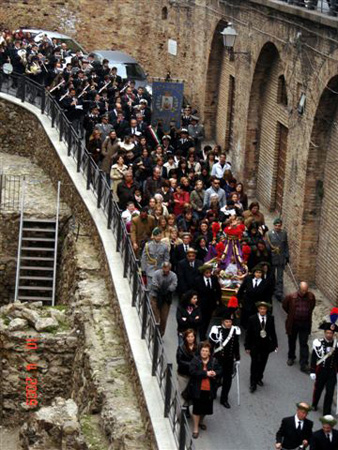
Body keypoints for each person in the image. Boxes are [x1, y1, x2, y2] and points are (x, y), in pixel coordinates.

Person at [189, 342, 222, 439]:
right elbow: (192, 371)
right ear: (200, 351)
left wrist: (215, 373)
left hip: (209, 390)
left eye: (206, 351)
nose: (204, 352)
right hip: (198, 389)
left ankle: (200, 421)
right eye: (203, 350)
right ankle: (195, 428)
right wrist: (205, 374)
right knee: (197, 409)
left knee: (206, 409)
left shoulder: (213, 361)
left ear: (209, 353)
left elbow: (220, 370)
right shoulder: (195, 360)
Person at [209, 310, 240, 408]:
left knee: (227, 380)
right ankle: (212, 393)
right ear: (222, 322)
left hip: (229, 360)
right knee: (215, 378)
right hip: (218, 359)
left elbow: (236, 345)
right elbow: (211, 345)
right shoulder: (216, 330)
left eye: (230, 322)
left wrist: (237, 358)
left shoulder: (234, 331)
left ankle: (224, 399)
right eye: (227, 322)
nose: (229, 324)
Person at [244, 301, 278, 393]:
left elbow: (273, 332)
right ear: (258, 309)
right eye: (261, 309)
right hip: (254, 346)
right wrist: (247, 346)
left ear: (267, 309)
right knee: (254, 364)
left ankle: (259, 378)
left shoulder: (271, 318)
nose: (262, 310)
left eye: (264, 309)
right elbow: (248, 334)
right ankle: (253, 383)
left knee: (263, 363)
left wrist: (275, 344)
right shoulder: (252, 319)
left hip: (265, 346)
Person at [283, 282, 316, 373]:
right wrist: (292, 315)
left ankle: (304, 363)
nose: (304, 292)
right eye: (302, 290)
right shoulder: (291, 297)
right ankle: (291, 357)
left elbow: (312, 306)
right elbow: (285, 306)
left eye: (306, 290)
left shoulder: (311, 297)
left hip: (305, 324)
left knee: (304, 343)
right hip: (293, 323)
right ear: (299, 289)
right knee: (292, 340)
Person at [310, 318, 338, 415]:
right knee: (318, 389)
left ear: (334, 334)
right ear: (325, 333)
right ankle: (314, 404)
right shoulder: (318, 342)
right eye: (328, 332)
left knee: (330, 392)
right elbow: (314, 357)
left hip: (331, 371)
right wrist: (312, 371)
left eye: (331, 333)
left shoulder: (336, 344)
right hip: (321, 369)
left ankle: (327, 411)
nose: (329, 335)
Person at [150, 262, 178, 337]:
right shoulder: (156, 273)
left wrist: (167, 290)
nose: (165, 270)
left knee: (164, 318)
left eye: (167, 268)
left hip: (166, 299)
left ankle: (160, 333)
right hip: (156, 297)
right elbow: (154, 283)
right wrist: (160, 288)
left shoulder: (173, 275)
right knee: (155, 317)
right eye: (164, 268)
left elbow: (174, 285)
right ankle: (153, 332)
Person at [195, 264, 222, 340]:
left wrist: (218, 300)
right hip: (201, 303)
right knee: (201, 320)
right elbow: (195, 292)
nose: (208, 274)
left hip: (210, 304)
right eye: (207, 273)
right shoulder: (198, 280)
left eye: (210, 273)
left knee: (207, 320)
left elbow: (218, 290)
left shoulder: (214, 279)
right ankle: (201, 336)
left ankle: (204, 332)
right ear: (203, 272)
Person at [266, 217, 289, 302]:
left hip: (281, 258)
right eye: (276, 225)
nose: (277, 227)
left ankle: (279, 292)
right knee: (271, 275)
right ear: (274, 226)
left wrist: (287, 256)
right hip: (272, 258)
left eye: (279, 226)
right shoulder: (269, 234)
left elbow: (286, 245)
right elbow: (268, 247)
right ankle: (271, 290)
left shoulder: (284, 234)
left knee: (280, 277)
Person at [176, 329, 198, 418]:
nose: (190, 338)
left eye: (192, 336)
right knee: (183, 392)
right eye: (188, 337)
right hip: (183, 374)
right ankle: (182, 411)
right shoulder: (181, 347)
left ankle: (187, 408)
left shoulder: (197, 347)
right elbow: (179, 361)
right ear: (185, 338)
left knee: (190, 392)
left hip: (193, 374)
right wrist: (192, 364)